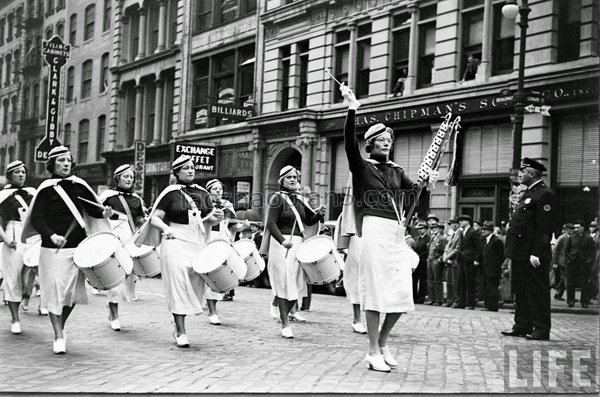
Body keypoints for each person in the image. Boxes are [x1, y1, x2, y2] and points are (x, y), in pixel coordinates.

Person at [340, 83, 437, 372]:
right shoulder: (361, 167)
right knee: (374, 291)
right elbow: (347, 143)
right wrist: (351, 109)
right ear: (370, 144)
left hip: (395, 232)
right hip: (372, 229)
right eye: (380, 139)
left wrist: (428, 182)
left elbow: (415, 195)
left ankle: (382, 342)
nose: (386, 142)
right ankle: (372, 350)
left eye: (389, 139)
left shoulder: (396, 170)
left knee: (401, 293)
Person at [21, 146, 113, 354]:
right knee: (54, 291)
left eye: (68, 160)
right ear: (52, 164)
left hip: (78, 248)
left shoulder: (79, 186)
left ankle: (60, 325)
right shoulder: (45, 188)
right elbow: (37, 218)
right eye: (61, 160)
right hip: (52, 249)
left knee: (71, 295)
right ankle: (58, 335)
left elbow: (93, 210)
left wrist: (104, 213)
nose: (65, 164)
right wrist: (51, 234)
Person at [136, 155, 223, 347]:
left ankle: (178, 323)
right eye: (186, 168)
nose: (191, 171)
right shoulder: (169, 193)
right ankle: (181, 330)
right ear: (177, 172)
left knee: (193, 283)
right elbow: (155, 218)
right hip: (174, 241)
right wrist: (166, 229)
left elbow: (209, 219)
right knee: (177, 284)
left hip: (196, 242)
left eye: (192, 167)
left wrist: (217, 217)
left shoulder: (202, 193)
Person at [260, 165, 325, 339]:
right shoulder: (277, 198)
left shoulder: (300, 199)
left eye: (295, 178)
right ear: (282, 181)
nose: (292, 180)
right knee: (284, 282)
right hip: (281, 244)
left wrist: (319, 214)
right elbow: (271, 224)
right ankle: (284, 323)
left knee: (295, 283)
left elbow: (309, 220)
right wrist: (282, 241)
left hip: (298, 244)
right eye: (289, 177)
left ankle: (283, 314)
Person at [502, 158, 558, 341]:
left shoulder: (544, 194)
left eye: (523, 172)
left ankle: (541, 329)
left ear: (532, 173)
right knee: (522, 291)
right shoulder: (528, 194)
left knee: (537, 291)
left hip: (533, 254)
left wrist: (536, 252)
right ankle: (521, 325)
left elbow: (544, 228)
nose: (520, 175)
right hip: (520, 253)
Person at [99, 164, 147, 331]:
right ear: (117, 178)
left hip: (129, 242)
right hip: (113, 241)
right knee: (114, 279)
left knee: (127, 278)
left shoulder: (136, 199)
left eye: (131, 177)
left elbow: (140, 219)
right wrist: (104, 214)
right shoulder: (108, 196)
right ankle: (114, 314)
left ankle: (112, 307)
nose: (129, 179)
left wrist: (145, 222)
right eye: (126, 176)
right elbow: (95, 213)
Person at [0, 161, 37, 334]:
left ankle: (27, 298)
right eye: (17, 172)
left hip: (32, 236)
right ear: (10, 175)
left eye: (23, 171)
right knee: (13, 278)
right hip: (13, 235)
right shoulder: (3, 195)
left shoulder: (32, 193)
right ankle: (15, 319)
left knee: (33, 275)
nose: (21, 175)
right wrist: (6, 238)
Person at [204, 178, 249, 323]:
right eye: (214, 188)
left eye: (220, 188)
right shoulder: (204, 205)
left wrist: (243, 226)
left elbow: (233, 227)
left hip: (222, 241)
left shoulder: (227, 206)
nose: (218, 191)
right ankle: (207, 307)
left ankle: (212, 311)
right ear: (208, 191)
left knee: (217, 277)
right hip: (207, 240)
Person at [454, 214, 482, 310]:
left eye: (462, 220)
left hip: (470, 260)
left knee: (470, 282)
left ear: (467, 221)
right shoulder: (462, 232)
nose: (460, 222)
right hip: (462, 259)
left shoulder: (473, 232)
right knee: (461, 281)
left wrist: (477, 259)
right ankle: (461, 302)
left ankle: (470, 303)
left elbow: (478, 247)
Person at [565, 220, 595, 308]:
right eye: (575, 228)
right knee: (570, 282)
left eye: (578, 227)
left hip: (583, 263)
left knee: (584, 282)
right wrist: (569, 259)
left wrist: (588, 260)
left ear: (583, 227)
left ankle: (584, 302)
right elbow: (567, 249)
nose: (576, 229)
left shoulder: (588, 238)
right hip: (572, 262)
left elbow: (592, 251)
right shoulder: (571, 237)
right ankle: (571, 301)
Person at [479, 221, 504, 311]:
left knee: (492, 288)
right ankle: (487, 304)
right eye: (483, 229)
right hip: (485, 268)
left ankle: (492, 305)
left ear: (490, 231)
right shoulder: (484, 240)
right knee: (486, 287)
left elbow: (501, 256)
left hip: (493, 269)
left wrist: (496, 266)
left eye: (485, 230)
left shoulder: (497, 241)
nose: (483, 231)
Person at [425, 222, 447, 306]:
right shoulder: (432, 238)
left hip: (436, 260)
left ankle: (438, 299)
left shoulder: (442, 239)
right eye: (432, 228)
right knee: (430, 280)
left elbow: (444, 250)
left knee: (437, 280)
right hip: (430, 259)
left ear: (440, 229)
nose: (433, 229)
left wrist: (439, 259)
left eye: (435, 228)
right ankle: (431, 298)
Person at [442, 217, 462, 307]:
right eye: (452, 223)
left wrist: (447, 257)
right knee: (449, 282)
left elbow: (457, 248)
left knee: (455, 282)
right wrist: (444, 255)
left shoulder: (460, 234)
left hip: (455, 260)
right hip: (448, 260)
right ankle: (449, 300)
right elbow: (447, 247)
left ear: (459, 224)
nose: (454, 225)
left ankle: (455, 300)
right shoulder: (451, 234)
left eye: (456, 223)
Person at [552, 223, 574, 301]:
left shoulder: (572, 237)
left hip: (568, 261)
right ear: (566, 230)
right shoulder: (562, 238)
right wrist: (554, 262)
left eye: (572, 229)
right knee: (566, 279)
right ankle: (570, 297)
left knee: (564, 279)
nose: (571, 231)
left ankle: (558, 294)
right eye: (570, 229)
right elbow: (555, 251)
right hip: (562, 261)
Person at [412, 221, 430, 303]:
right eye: (418, 229)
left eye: (422, 229)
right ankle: (414, 297)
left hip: (423, 262)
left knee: (423, 280)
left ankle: (421, 298)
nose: (419, 230)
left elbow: (427, 251)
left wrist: (421, 257)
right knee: (414, 279)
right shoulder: (416, 238)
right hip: (416, 262)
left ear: (426, 229)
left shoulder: (428, 238)